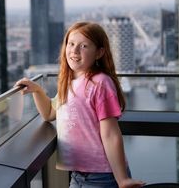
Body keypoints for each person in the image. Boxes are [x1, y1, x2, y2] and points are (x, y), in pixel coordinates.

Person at [15, 22, 145, 188]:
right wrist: (37, 91)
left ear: (99, 53)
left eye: (84, 46)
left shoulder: (100, 83)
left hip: (103, 175)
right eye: (71, 44)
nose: (75, 51)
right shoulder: (69, 82)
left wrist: (122, 179)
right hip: (78, 175)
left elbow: (111, 134)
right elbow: (49, 113)